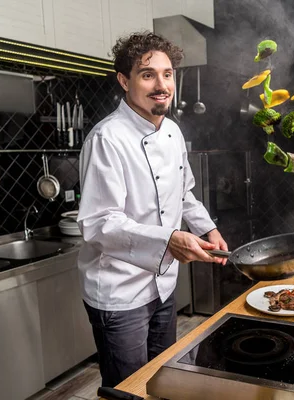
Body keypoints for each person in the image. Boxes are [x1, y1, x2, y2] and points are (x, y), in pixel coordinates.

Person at [76, 31, 227, 388]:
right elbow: (99, 224)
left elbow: (184, 192)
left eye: (168, 73)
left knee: (161, 381)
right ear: (124, 81)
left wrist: (208, 229)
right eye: (148, 75)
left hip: (162, 285)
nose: (161, 85)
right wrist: (169, 240)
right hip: (120, 292)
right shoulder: (107, 139)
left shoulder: (172, 131)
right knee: (128, 388)